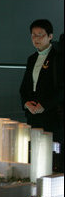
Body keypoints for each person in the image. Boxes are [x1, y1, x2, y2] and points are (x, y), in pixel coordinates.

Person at [19, 19, 63, 172]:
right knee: (36, 154)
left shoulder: (58, 57)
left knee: (53, 155)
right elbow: (24, 87)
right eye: (33, 35)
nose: (36, 39)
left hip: (53, 116)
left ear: (50, 36)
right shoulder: (32, 58)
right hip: (34, 114)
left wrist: (44, 105)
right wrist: (26, 103)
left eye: (40, 35)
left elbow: (62, 89)